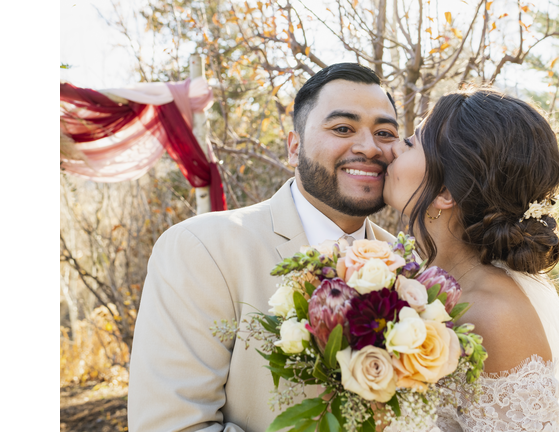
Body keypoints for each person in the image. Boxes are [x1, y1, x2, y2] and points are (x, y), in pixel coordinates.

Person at [127, 63, 401, 432]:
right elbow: (174, 425)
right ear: (294, 147)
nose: (369, 147)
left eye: (384, 132)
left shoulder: (410, 265)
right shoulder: (202, 249)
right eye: (342, 128)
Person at [382, 87, 559, 431]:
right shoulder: (409, 275)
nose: (393, 147)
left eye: (411, 142)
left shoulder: (496, 315)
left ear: (445, 193)